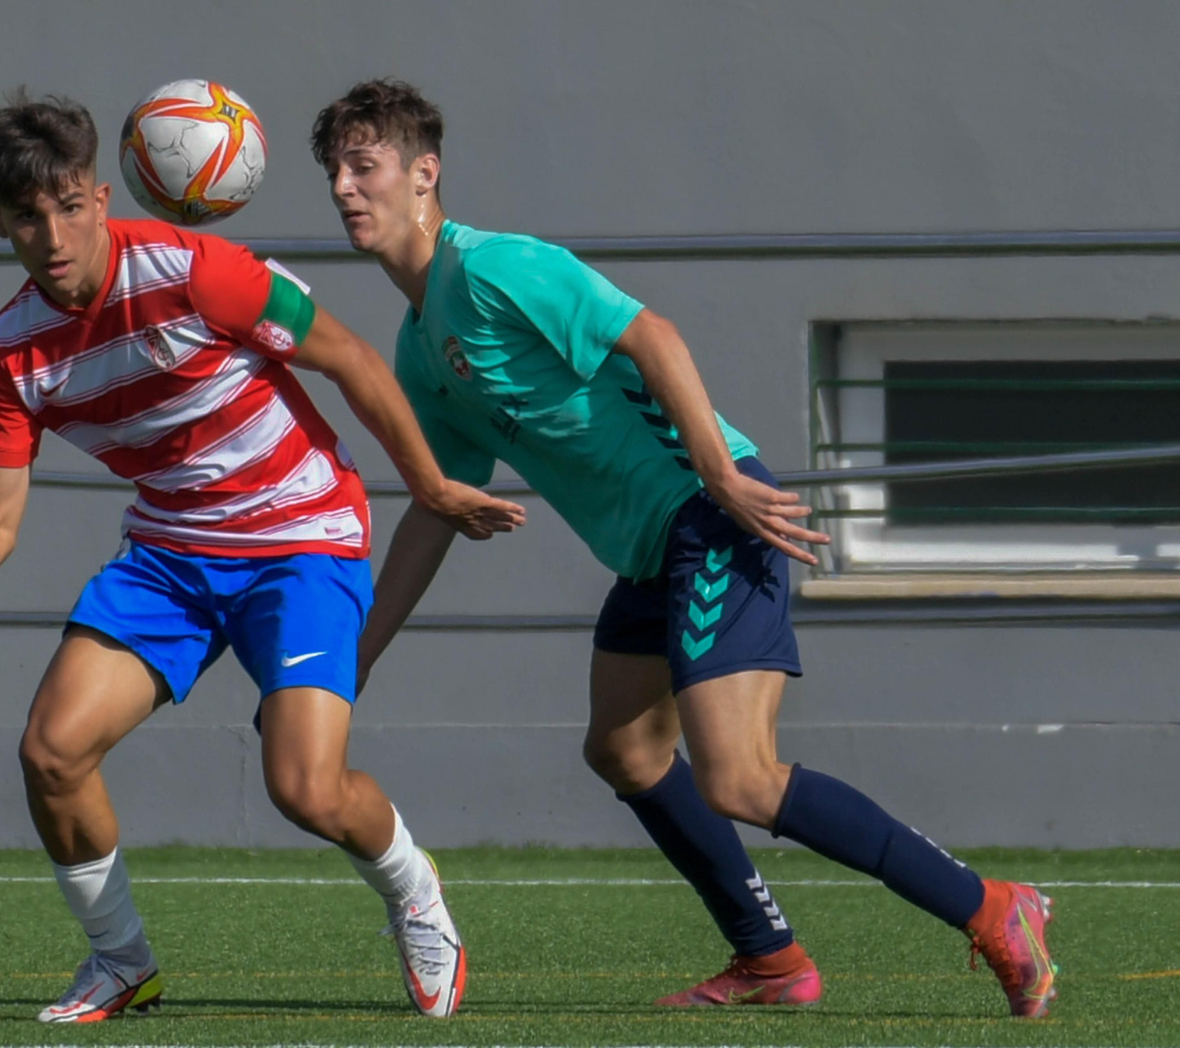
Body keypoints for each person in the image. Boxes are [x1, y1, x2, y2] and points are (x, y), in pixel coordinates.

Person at [309, 78, 1057, 1017]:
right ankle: (772, 961)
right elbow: (436, 506)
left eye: (363, 165)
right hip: (652, 553)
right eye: (333, 170)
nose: (343, 187)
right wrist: (354, 659)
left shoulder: (495, 268)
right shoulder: (421, 347)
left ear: (425, 174)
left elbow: (651, 333)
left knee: (738, 774)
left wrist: (719, 474)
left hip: (711, 519)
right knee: (623, 751)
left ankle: (993, 906)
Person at [0, 92, 525, 1021]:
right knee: (51, 752)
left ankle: (413, 889)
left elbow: (354, 358)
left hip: (301, 538)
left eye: (70, 206)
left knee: (304, 787)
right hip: (172, 555)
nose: (53, 235)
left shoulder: (201, 268)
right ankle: (121, 963)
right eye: (26, 216)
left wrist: (432, 486)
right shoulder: (13, 350)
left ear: (99, 192)